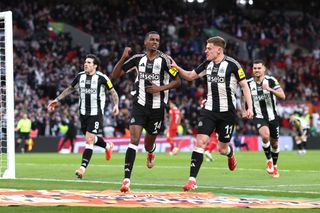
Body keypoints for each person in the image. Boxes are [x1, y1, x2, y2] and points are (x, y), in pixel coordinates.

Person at [171, 36, 253, 191]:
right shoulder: (207, 64)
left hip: (227, 113)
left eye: (209, 48)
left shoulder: (233, 65)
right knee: (200, 142)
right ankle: (192, 180)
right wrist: (176, 67)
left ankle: (230, 154)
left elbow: (244, 86)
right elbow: (190, 76)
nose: (205, 51)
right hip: (209, 110)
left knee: (222, 149)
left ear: (219, 50)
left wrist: (249, 108)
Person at [111, 31, 181, 192]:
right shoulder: (137, 59)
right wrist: (123, 58)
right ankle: (126, 180)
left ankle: (151, 152)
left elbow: (177, 81)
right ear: (145, 43)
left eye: (157, 40)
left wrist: (160, 88)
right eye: (152, 40)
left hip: (157, 108)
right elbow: (115, 75)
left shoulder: (165, 60)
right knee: (134, 139)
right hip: (140, 105)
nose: (155, 42)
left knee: (149, 143)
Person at [47, 54, 119, 179]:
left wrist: (116, 105)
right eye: (85, 62)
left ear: (95, 65)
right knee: (91, 137)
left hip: (96, 113)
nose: (86, 64)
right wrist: (57, 99)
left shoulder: (102, 78)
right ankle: (108, 146)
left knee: (89, 140)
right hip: (83, 113)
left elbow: (113, 91)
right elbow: (70, 89)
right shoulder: (80, 76)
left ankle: (82, 168)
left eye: (89, 62)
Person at [244, 59, 285, 178]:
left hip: (273, 116)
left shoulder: (271, 81)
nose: (256, 70)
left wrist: (270, 90)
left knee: (275, 144)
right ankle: (269, 160)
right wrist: (244, 109)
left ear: (264, 69)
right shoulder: (248, 82)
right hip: (259, 116)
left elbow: (282, 96)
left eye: (258, 68)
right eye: (254, 68)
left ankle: (275, 166)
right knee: (265, 135)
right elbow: (243, 95)